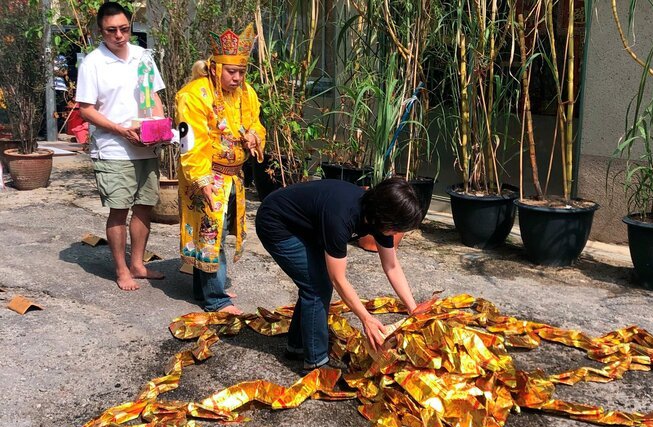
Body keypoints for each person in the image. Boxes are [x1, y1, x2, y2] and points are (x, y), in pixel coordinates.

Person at [255, 177, 424, 371]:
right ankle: (315, 363)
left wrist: (414, 309)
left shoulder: (376, 214)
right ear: (385, 218)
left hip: (304, 225)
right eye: (397, 228)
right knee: (317, 285)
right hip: (276, 222)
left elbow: (392, 266)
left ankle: (298, 346)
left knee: (316, 281)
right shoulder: (342, 215)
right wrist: (366, 318)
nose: (396, 233)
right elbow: (338, 278)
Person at [176, 24, 266, 315]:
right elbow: (190, 143)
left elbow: (255, 123)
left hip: (233, 174)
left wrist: (254, 137)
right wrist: (203, 181)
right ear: (215, 68)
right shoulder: (192, 95)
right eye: (231, 72)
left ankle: (208, 287)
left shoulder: (246, 93)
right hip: (206, 173)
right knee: (209, 233)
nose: (238, 78)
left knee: (216, 233)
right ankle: (216, 298)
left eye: (242, 72)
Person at [75, 2, 165, 291]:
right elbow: (86, 110)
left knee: (144, 207)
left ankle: (138, 264)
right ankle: (121, 269)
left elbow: (154, 94)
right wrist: (120, 130)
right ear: (100, 31)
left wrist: (159, 126)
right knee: (119, 209)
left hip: (146, 145)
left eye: (124, 29)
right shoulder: (93, 63)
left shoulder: (143, 56)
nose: (119, 35)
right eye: (111, 30)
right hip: (113, 149)